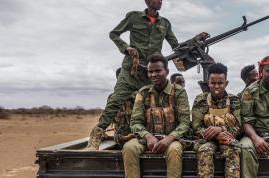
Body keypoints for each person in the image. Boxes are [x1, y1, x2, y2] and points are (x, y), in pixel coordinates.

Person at [85, 0, 205, 150]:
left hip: (149, 74)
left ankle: (148, 135)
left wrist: (194, 40)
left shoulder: (165, 24)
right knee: (115, 101)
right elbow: (113, 34)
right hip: (130, 70)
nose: (160, 1)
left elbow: (176, 47)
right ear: (147, 1)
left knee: (151, 105)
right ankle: (96, 136)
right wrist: (127, 48)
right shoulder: (134, 17)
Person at [118, 53, 191, 178]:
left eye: (158, 71)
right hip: (148, 138)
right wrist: (148, 136)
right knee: (129, 148)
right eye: (150, 72)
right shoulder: (143, 93)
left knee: (174, 151)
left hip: (172, 138)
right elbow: (135, 122)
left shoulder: (178, 91)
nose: (154, 75)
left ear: (166, 71)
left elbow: (185, 122)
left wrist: (169, 138)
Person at [191, 63, 242, 178]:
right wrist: (210, 133)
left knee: (233, 151)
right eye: (213, 83)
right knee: (205, 151)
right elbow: (196, 126)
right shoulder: (200, 100)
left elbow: (239, 126)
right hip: (206, 140)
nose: (217, 86)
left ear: (226, 83)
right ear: (208, 82)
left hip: (226, 138)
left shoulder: (234, 100)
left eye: (220, 83)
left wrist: (222, 130)